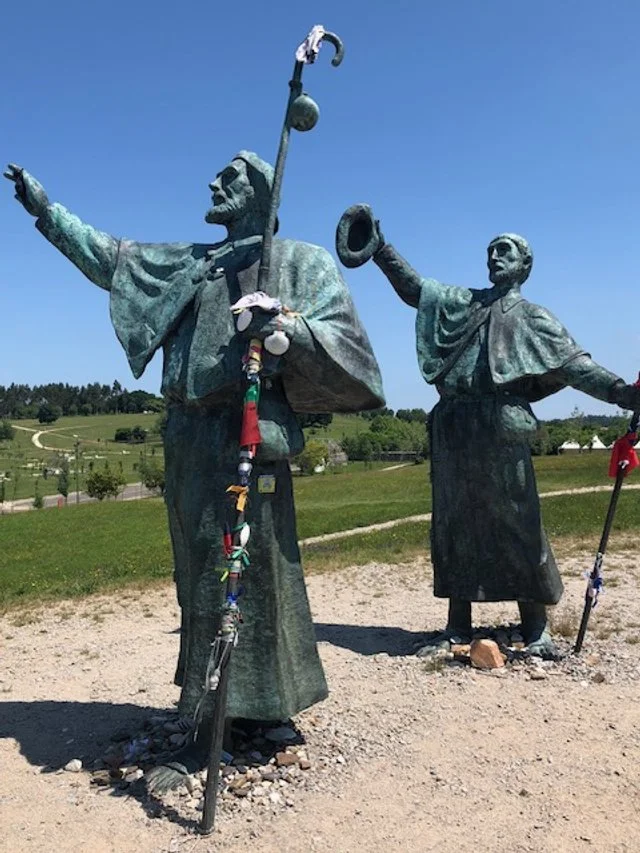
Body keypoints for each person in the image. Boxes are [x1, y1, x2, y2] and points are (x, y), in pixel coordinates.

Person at [5, 155, 384, 784]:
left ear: (261, 192)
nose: (214, 183)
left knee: (244, 576)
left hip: (246, 434)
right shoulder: (193, 264)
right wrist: (47, 212)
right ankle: (238, 711)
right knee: (201, 578)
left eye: (230, 177)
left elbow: (354, 357)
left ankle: (227, 724)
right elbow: (112, 259)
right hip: (189, 438)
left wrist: (286, 327)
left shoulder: (299, 262)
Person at [335, 208, 640, 656]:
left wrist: (621, 394)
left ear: (524, 265)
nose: (495, 257)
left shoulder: (534, 318)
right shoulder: (465, 303)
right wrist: (381, 250)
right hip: (454, 426)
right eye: (491, 251)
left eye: (505, 251)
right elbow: (418, 290)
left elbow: (576, 367)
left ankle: (535, 628)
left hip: (502, 426)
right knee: (454, 525)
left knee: (519, 524)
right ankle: (457, 626)